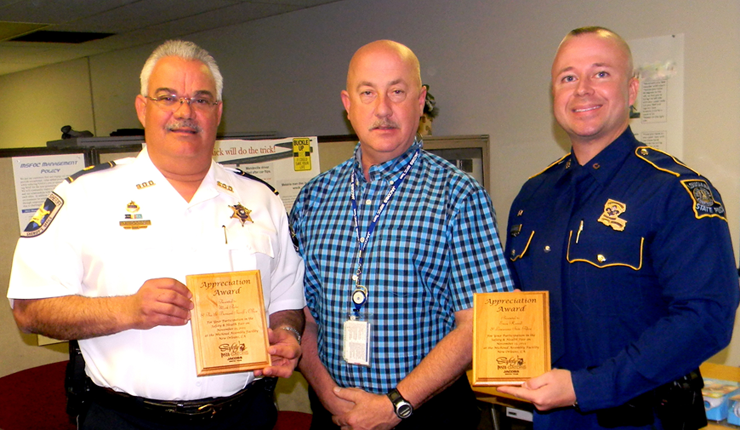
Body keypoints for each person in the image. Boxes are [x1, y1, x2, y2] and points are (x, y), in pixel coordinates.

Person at [7, 40, 305, 430]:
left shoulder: (260, 199)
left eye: (200, 99)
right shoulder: (85, 196)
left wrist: (285, 333)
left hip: (242, 415)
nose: (185, 112)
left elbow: (286, 298)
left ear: (218, 112)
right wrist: (127, 310)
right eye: (168, 97)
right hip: (127, 419)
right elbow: (29, 309)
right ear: (142, 108)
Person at [498, 26, 739, 429]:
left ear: (632, 90)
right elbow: (513, 303)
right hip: (552, 421)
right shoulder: (532, 197)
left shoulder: (673, 192)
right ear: (554, 94)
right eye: (568, 77)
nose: (583, 89)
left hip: (643, 420)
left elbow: (706, 319)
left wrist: (586, 387)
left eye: (601, 73)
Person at [289, 39, 514, 430]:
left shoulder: (458, 196)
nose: (383, 109)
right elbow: (302, 316)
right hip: (335, 415)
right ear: (347, 103)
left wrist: (395, 406)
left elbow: (479, 322)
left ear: (420, 99)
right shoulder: (314, 198)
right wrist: (329, 397)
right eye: (367, 93)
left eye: (397, 91)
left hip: (427, 417)